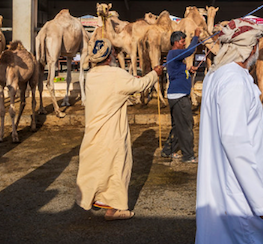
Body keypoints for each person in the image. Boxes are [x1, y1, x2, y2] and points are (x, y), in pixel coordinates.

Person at [195, 19, 263, 244]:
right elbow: (233, 139)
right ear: (251, 48)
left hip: (223, 182)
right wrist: (261, 202)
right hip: (239, 192)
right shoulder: (234, 80)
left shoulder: (215, 76)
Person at [76, 39, 164, 221]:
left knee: (96, 166)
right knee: (117, 166)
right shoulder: (116, 74)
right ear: (108, 57)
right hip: (111, 131)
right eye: (113, 53)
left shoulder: (92, 74)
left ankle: (94, 199)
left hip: (94, 131)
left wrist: (132, 81)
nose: (116, 55)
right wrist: (154, 74)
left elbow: (118, 90)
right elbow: (139, 87)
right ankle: (114, 209)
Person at [160, 28, 201, 162]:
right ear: (177, 42)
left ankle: (168, 151)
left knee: (178, 126)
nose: (184, 44)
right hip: (179, 97)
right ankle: (188, 155)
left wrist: (189, 70)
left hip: (177, 95)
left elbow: (180, 71)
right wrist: (196, 37)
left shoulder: (174, 56)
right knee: (186, 125)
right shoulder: (174, 53)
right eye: (183, 41)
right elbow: (190, 51)